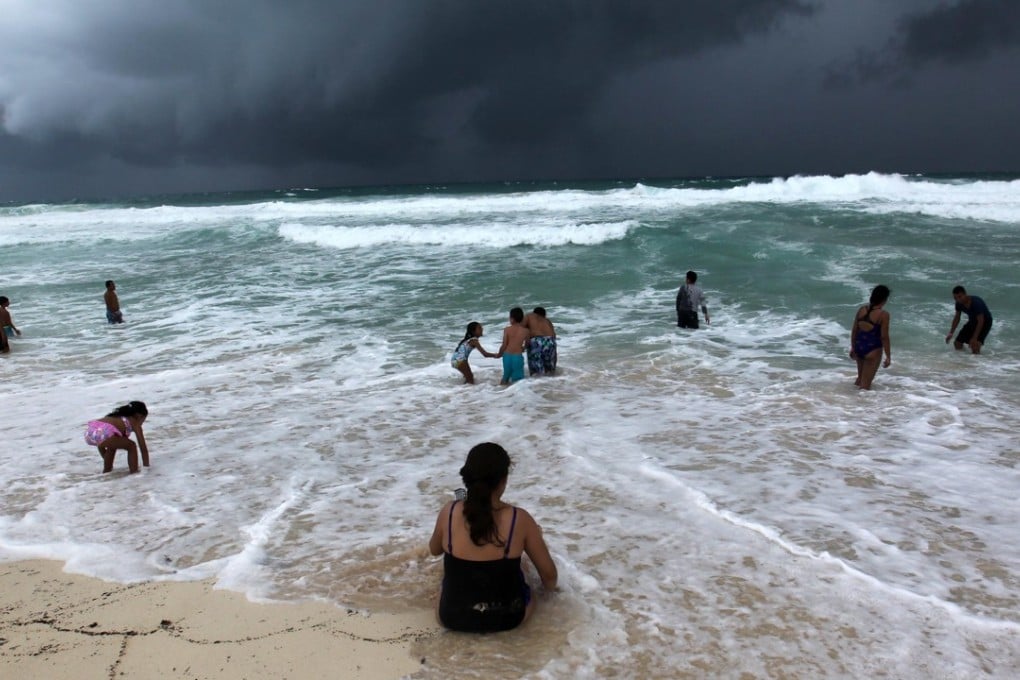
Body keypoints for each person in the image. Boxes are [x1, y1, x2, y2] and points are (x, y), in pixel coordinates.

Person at [428, 442, 558, 632]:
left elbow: (434, 550)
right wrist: (548, 595)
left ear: (467, 479)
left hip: (451, 617)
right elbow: (549, 576)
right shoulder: (519, 519)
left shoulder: (450, 511)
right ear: (503, 481)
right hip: (508, 619)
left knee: (447, 577)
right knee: (526, 573)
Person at [84, 401, 150, 473]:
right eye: (143, 421)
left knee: (113, 445)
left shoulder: (115, 416)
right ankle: (134, 473)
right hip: (104, 433)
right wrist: (146, 468)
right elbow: (143, 448)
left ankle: (107, 471)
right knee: (131, 445)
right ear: (139, 416)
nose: (141, 423)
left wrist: (106, 458)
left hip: (90, 432)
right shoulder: (135, 423)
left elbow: (100, 440)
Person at [849, 285, 891, 390]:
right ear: (884, 299)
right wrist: (888, 356)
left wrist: (853, 348)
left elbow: (855, 331)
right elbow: (884, 337)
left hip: (859, 347)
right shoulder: (883, 315)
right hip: (873, 350)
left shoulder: (862, 310)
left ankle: (849, 400)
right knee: (865, 386)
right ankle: (858, 404)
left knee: (860, 380)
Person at [946, 286, 993, 354]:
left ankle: (978, 362)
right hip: (973, 321)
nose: (958, 300)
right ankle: (965, 361)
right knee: (957, 343)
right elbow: (957, 317)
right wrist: (951, 333)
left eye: (960, 297)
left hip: (985, 322)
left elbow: (981, 321)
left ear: (965, 294)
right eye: (955, 298)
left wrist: (974, 338)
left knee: (975, 346)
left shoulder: (976, 303)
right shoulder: (958, 304)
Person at [496, 307, 529, 385]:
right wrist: (523, 348)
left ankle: (501, 392)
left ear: (512, 319)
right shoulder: (526, 331)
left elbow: (504, 345)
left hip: (507, 356)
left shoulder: (507, 329)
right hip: (517, 356)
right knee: (518, 378)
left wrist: (499, 354)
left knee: (506, 376)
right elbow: (527, 343)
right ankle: (516, 395)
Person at [522, 307, 557, 376]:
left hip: (537, 341)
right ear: (544, 315)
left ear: (534, 313)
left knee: (537, 374)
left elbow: (521, 329)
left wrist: (523, 346)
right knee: (550, 372)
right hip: (550, 342)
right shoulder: (547, 321)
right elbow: (554, 337)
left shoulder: (529, 316)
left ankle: (537, 385)